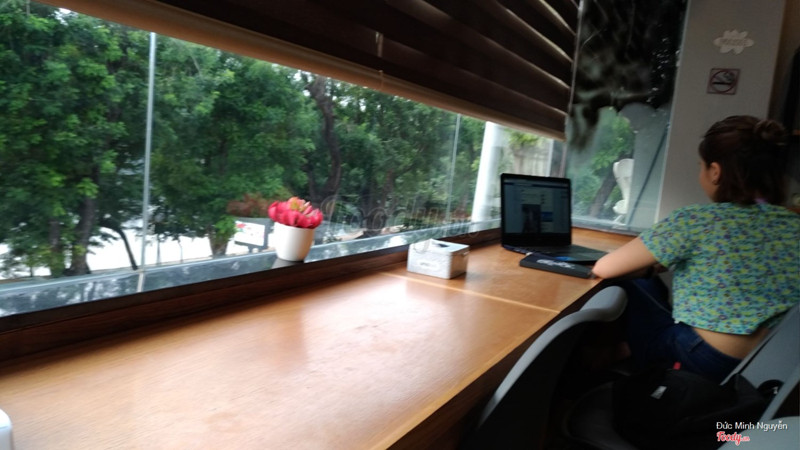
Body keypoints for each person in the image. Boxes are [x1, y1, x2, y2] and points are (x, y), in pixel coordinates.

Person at [592, 115, 799, 382]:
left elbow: (604, 267)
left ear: (715, 171)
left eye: (701, 166)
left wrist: (647, 271)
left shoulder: (696, 220)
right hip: (771, 364)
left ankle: (597, 365)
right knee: (653, 289)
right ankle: (625, 350)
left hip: (706, 359)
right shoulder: (794, 224)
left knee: (632, 284)